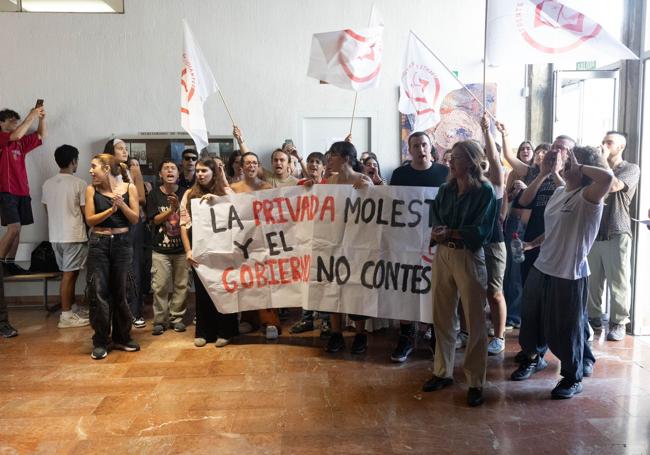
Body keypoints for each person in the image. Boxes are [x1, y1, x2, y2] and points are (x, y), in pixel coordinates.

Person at [510, 146, 613, 399]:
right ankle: (535, 359)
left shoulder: (589, 198)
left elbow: (608, 178)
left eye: (571, 162)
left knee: (566, 329)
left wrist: (580, 167)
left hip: (569, 273)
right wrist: (532, 243)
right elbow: (554, 229)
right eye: (567, 161)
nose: (566, 165)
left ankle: (571, 377)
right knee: (531, 320)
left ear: (584, 168)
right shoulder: (558, 192)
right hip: (542, 266)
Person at [421, 140, 497, 408]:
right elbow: (436, 217)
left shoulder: (485, 191)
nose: (450, 162)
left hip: (468, 255)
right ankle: (442, 371)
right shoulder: (446, 189)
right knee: (441, 315)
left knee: (475, 321)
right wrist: (438, 232)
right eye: (450, 158)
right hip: (443, 254)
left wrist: (450, 231)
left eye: (456, 158)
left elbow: (482, 231)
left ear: (472, 161)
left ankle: (476, 381)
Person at [389, 131, 448, 363]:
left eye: (424, 145)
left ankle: (433, 332)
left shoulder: (444, 173)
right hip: (406, 242)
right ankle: (406, 336)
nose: (420, 149)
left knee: (434, 287)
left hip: (436, 242)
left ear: (430, 147)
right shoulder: (400, 174)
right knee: (406, 287)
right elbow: (390, 205)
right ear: (409, 149)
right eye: (416, 145)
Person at [84, 154, 141, 360]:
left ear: (107, 169)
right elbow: (90, 220)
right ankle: (100, 340)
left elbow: (135, 218)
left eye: (94, 167)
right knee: (98, 292)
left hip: (122, 244)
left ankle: (122, 337)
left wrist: (122, 206)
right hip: (98, 244)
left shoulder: (129, 188)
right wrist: (111, 209)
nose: (91, 171)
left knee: (122, 291)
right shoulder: (91, 190)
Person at [320, 141, 373, 354]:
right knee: (334, 287)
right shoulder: (328, 182)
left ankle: (360, 335)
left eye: (333, 155)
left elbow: (378, 210)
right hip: (333, 241)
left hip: (358, 244)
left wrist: (370, 191)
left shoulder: (363, 180)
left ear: (346, 158)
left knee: (357, 288)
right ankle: (336, 334)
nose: (329, 159)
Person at [587, 132, 640, 341]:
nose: (604, 145)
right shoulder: (598, 169)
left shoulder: (631, 168)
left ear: (621, 147)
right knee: (592, 280)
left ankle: (619, 322)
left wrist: (602, 162)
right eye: (604, 141)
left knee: (618, 281)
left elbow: (615, 185)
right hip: (594, 231)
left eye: (610, 143)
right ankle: (594, 318)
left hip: (617, 230)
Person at [181, 158, 239, 347]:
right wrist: (188, 250)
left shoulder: (224, 191)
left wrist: (219, 200)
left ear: (214, 172)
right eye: (198, 171)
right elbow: (183, 224)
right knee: (203, 292)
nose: (200, 174)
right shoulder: (189, 194)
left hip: (224, 253)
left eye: (205, 170)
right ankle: (204, 332)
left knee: (224, 290)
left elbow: (238, 208)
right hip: (201, 252)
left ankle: (226, 331)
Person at [0, 106, 46, 338]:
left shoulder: (19, 143)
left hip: (21, 191)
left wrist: (41, 119)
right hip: (6, 191)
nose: (16, 124)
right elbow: (17, 133)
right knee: (13, 228)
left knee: (19, 232)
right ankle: (0, 260)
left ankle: (9, 262)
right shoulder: (4, 138)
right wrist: (31, 115)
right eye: (13, 121)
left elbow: (39, 136)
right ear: (3, 123)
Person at [230, 152, 284, 339]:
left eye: (255, 163)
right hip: (243, 242)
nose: (251, 166)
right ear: (242, 167)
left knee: (266, 281)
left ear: (258, 166)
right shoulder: (234, 189)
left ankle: (270, 321)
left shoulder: (267, 187)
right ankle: (248, 319)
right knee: (246, 280)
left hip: (264, 240)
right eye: (248, 163)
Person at [42, 144, 90, 329]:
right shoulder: (79, 183)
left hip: (56, 235)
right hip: (74, 235)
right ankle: (66, 316)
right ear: (74, 161)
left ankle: (73, 307)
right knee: (69, 276)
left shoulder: (47, 183)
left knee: (69, 273)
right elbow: (86, 212)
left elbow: (47, 209)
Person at [104, 138, 148, 328]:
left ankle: (134, 311)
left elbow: (140, 200)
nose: (125, 152)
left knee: (134, 267)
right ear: (110, 152)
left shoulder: (129, 171)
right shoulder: (104, 172)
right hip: (112, 225)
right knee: (115, 269)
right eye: (120, 149)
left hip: (132, 224)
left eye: (125, 149)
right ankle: (115, 313)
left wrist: (137, 177)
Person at [290, 152, 331, 337]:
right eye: (311, 162)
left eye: (317, 162)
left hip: (325, 241)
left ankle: (325, 320)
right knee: (305, 279)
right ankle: (306, 318)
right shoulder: (299, 185)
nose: (314, 165)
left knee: (323, 280)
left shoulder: (331, 186)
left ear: (324, 167)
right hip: (304, 241)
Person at [147, 160, 189, 336]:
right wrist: (172, 209)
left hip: (182, 249)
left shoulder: (186, 193)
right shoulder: (154, 195)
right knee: (160, 286)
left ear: (178, 175)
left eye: (173, 168)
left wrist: (178, 206)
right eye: (166, 168)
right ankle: (160, 321)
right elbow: (155, 219)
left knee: (181, 285)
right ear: (160, 175)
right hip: (160, 250)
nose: (170, 171)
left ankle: (176, 319)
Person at [480, 115, 507, 356]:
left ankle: (498, 337)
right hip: (471, 244)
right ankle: (469, 332)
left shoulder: (496, 183)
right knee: (469, 291)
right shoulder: (467, 183)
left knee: (494, 291)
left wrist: (486, 131)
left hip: (494, 243)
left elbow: (495, 159)